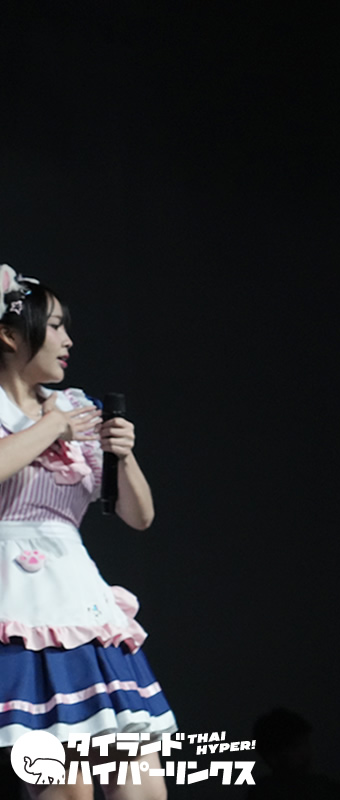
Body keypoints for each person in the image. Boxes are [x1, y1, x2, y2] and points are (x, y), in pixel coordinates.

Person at [0, 266, 174, 799]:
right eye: (55, 327)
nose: (67, 340)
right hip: (15, 606)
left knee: (142, 783)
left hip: (79, 602)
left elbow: (139, 516)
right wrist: (49, 427)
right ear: (9, 335)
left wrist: (123, 455)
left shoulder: (74, 408)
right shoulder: (49, 418)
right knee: (67, 787)